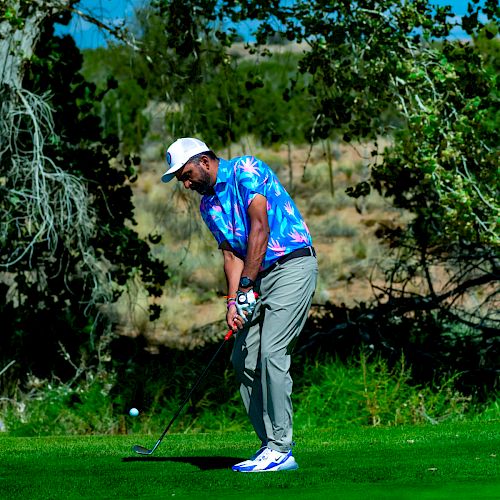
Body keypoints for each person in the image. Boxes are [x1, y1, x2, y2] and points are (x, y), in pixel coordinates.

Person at [161, 137, 318, 472]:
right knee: (243, 357)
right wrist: (233, 302)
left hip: (291, 264)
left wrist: (247, 285)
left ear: (204, 161)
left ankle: (282, 447)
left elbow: (259, 227)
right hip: (253, 276)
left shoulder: (247, 169)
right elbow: (231, 255)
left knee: (272, 352)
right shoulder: (208, 206)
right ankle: (269, 445)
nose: (186, 184)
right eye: (180, 180)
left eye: (187, 174)